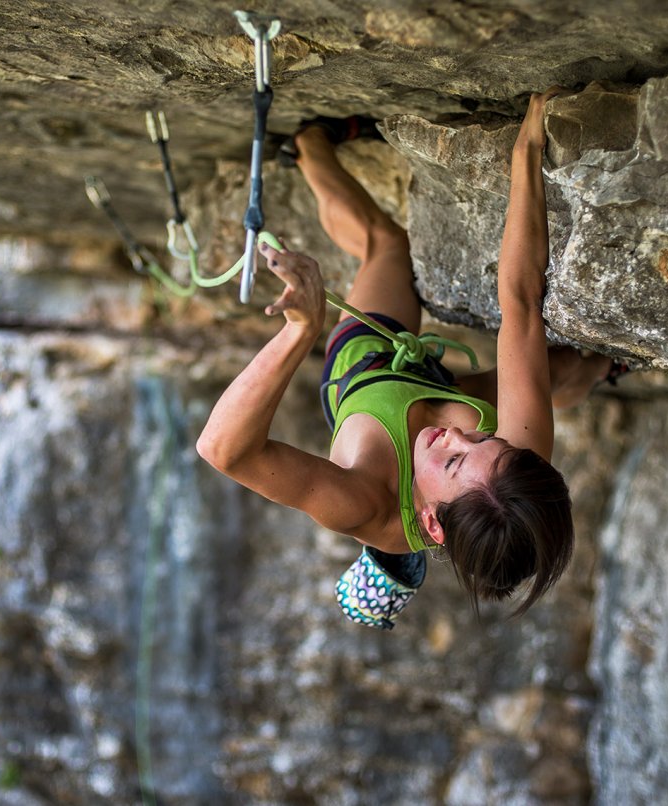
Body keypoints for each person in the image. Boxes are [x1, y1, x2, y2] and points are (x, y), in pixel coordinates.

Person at [196, 91, 616, 626]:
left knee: (386, 244)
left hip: (368, 368)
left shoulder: (365, 503)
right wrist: (526, 154)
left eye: (457, 462)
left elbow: (223, 450)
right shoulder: (513, 466)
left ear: (432, 526)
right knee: (557, 367)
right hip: (439, 388)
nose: (460, 438)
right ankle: (606, 368)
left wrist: (301, 331)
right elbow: (522, 306)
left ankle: (310, 148)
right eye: (486, 438)